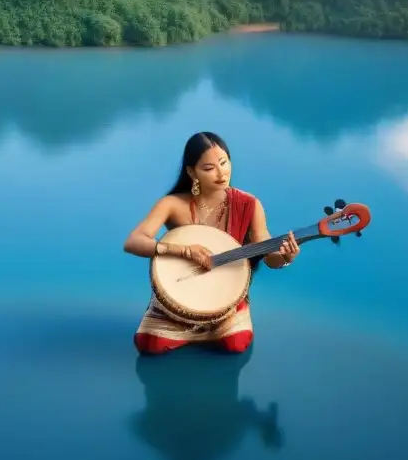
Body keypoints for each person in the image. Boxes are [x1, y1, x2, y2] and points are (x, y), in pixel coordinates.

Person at [122, 131, 301, 355]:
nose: (221, 173)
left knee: (236, 344)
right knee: (149, 345)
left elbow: (267, 253)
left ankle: (221, 323)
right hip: (181, 292)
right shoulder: (173, 204)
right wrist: (183, 251)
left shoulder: (249, 204)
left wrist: (284, 258)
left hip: (226, 301)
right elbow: (133, 242)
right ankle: (180, 321)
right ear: (191, 172)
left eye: (224, 163)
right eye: (208, 168)